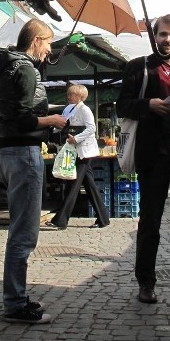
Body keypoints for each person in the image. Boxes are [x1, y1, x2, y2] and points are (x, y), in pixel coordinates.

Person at [116, 14, 170, 306]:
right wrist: (148, 105)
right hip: (153, 158)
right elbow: (121, 105)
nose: (168, 39)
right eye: (162, 34)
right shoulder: (138, 68)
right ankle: (146, 283)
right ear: (154, 37)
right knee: (150, 222)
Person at [0, 18, 67, 324]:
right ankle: (15, 304)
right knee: (24, 233)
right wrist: (52, 120)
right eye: (48, 42)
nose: (50, 49)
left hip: (11, 152)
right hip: (23, 152)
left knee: (21, 230)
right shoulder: (23, 68)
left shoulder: (12, 67)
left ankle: (17, 296)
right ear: (36, 40)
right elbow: (23, 119)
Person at [46, 83, 110, 230]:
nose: (68, 96)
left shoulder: (85, 110)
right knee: (89, 185)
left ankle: (60, 220)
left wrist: (76, 138)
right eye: (68, 94)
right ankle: (103, 218)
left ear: (80, 96)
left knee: (73, 183)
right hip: (74, 150)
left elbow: (91, 128)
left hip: (84, 151)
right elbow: (63, 122)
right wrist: (53, 127)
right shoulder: (69, 108)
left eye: (72, 94)